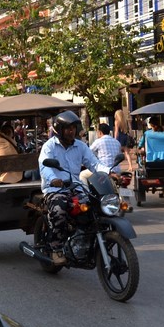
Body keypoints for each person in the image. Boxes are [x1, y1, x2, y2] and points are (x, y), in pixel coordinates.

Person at [39, 110, 116, 266]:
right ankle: (56, 248)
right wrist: (53, 179)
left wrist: (110, 172)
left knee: (95, 207)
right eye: (68, 128)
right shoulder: (49, 146)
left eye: (73, 128)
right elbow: (44, 166)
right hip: (55, 190)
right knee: (59, 210)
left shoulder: (80, 146)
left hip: (76, 187)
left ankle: (86, 240)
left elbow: (94, 164)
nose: (72, 131)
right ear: (59, 129)